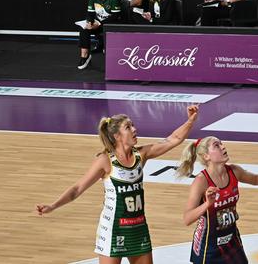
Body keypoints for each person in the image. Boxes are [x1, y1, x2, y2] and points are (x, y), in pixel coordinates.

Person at [36, 105, 199, 264]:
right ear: (116, 136)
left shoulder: (141, 154)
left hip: (138, 227)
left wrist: (191, 120)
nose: (134, 129)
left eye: (133, 125)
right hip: (113, 230)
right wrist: (53, 206)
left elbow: (174, 139)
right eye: (128, 127)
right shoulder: (105, 161)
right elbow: (77, 189)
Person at [177, 135, 258, 264]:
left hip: (231, 240)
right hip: (208, 246)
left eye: (221, 143)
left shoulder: (234, 170)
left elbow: (256, 179)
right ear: (206, 156)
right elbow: (187, 218)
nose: (223, 147)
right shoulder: (201, 181)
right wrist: (207, 204)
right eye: (216, 146)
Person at [77, 0, 121, 70]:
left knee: (107, 27)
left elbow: (116, 16)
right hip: (98, 23)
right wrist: (89, 22)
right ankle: (85, 56)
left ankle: (106, 49)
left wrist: (99, 24)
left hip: (110, 23)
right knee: (84, 28)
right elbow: (90, 13)